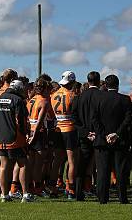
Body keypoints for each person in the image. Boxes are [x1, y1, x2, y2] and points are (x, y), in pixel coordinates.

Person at [0, 79, 34, 203]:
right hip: (15, 138)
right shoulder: (18, 100)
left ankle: (4, 195)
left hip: (0, 138)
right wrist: (25, 133)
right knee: (23, 164)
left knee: (4, 166)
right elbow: (20, 120)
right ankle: (26, 195)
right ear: (19, 89)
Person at [92, 74, 132, 204]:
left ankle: (103, 198)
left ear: (106, 85)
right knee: (120, 171)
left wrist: (104, 135)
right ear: (118, 85)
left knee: (103, 171)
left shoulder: (98, 99)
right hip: (119, 141)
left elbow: (95, 119)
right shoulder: (125, 99)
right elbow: (128, 119)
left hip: (102, 141)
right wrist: (117, 134)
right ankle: (122, 198)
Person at [72, 71, 102, 201]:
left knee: (82, 165)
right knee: (101, 166)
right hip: (99, 135)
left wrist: (85, 132)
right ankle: (101, 192)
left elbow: (74, 117)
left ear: (88, 81)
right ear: (98, 81)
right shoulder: (102, 96)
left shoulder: (79, 98)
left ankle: (79, 193)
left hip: (84, 136)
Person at [50, 71, 79, 200]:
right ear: (72, 82)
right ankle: (70, 189)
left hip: (57, 130)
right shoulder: (72, 95)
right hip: (69, 129)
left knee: (56, 161)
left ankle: (53, 188)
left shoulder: (53, 95)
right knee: (71, 161)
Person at [27, 78, 51, 196]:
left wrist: (28, 134)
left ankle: (30, 187)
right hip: (38, 133)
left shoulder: (31, 99)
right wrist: (34, 136)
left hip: (29, 131)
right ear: (45, 89)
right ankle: (37, 188)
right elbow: (39, 122)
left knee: (31, 162)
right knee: (38, 164)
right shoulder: (44, 101)